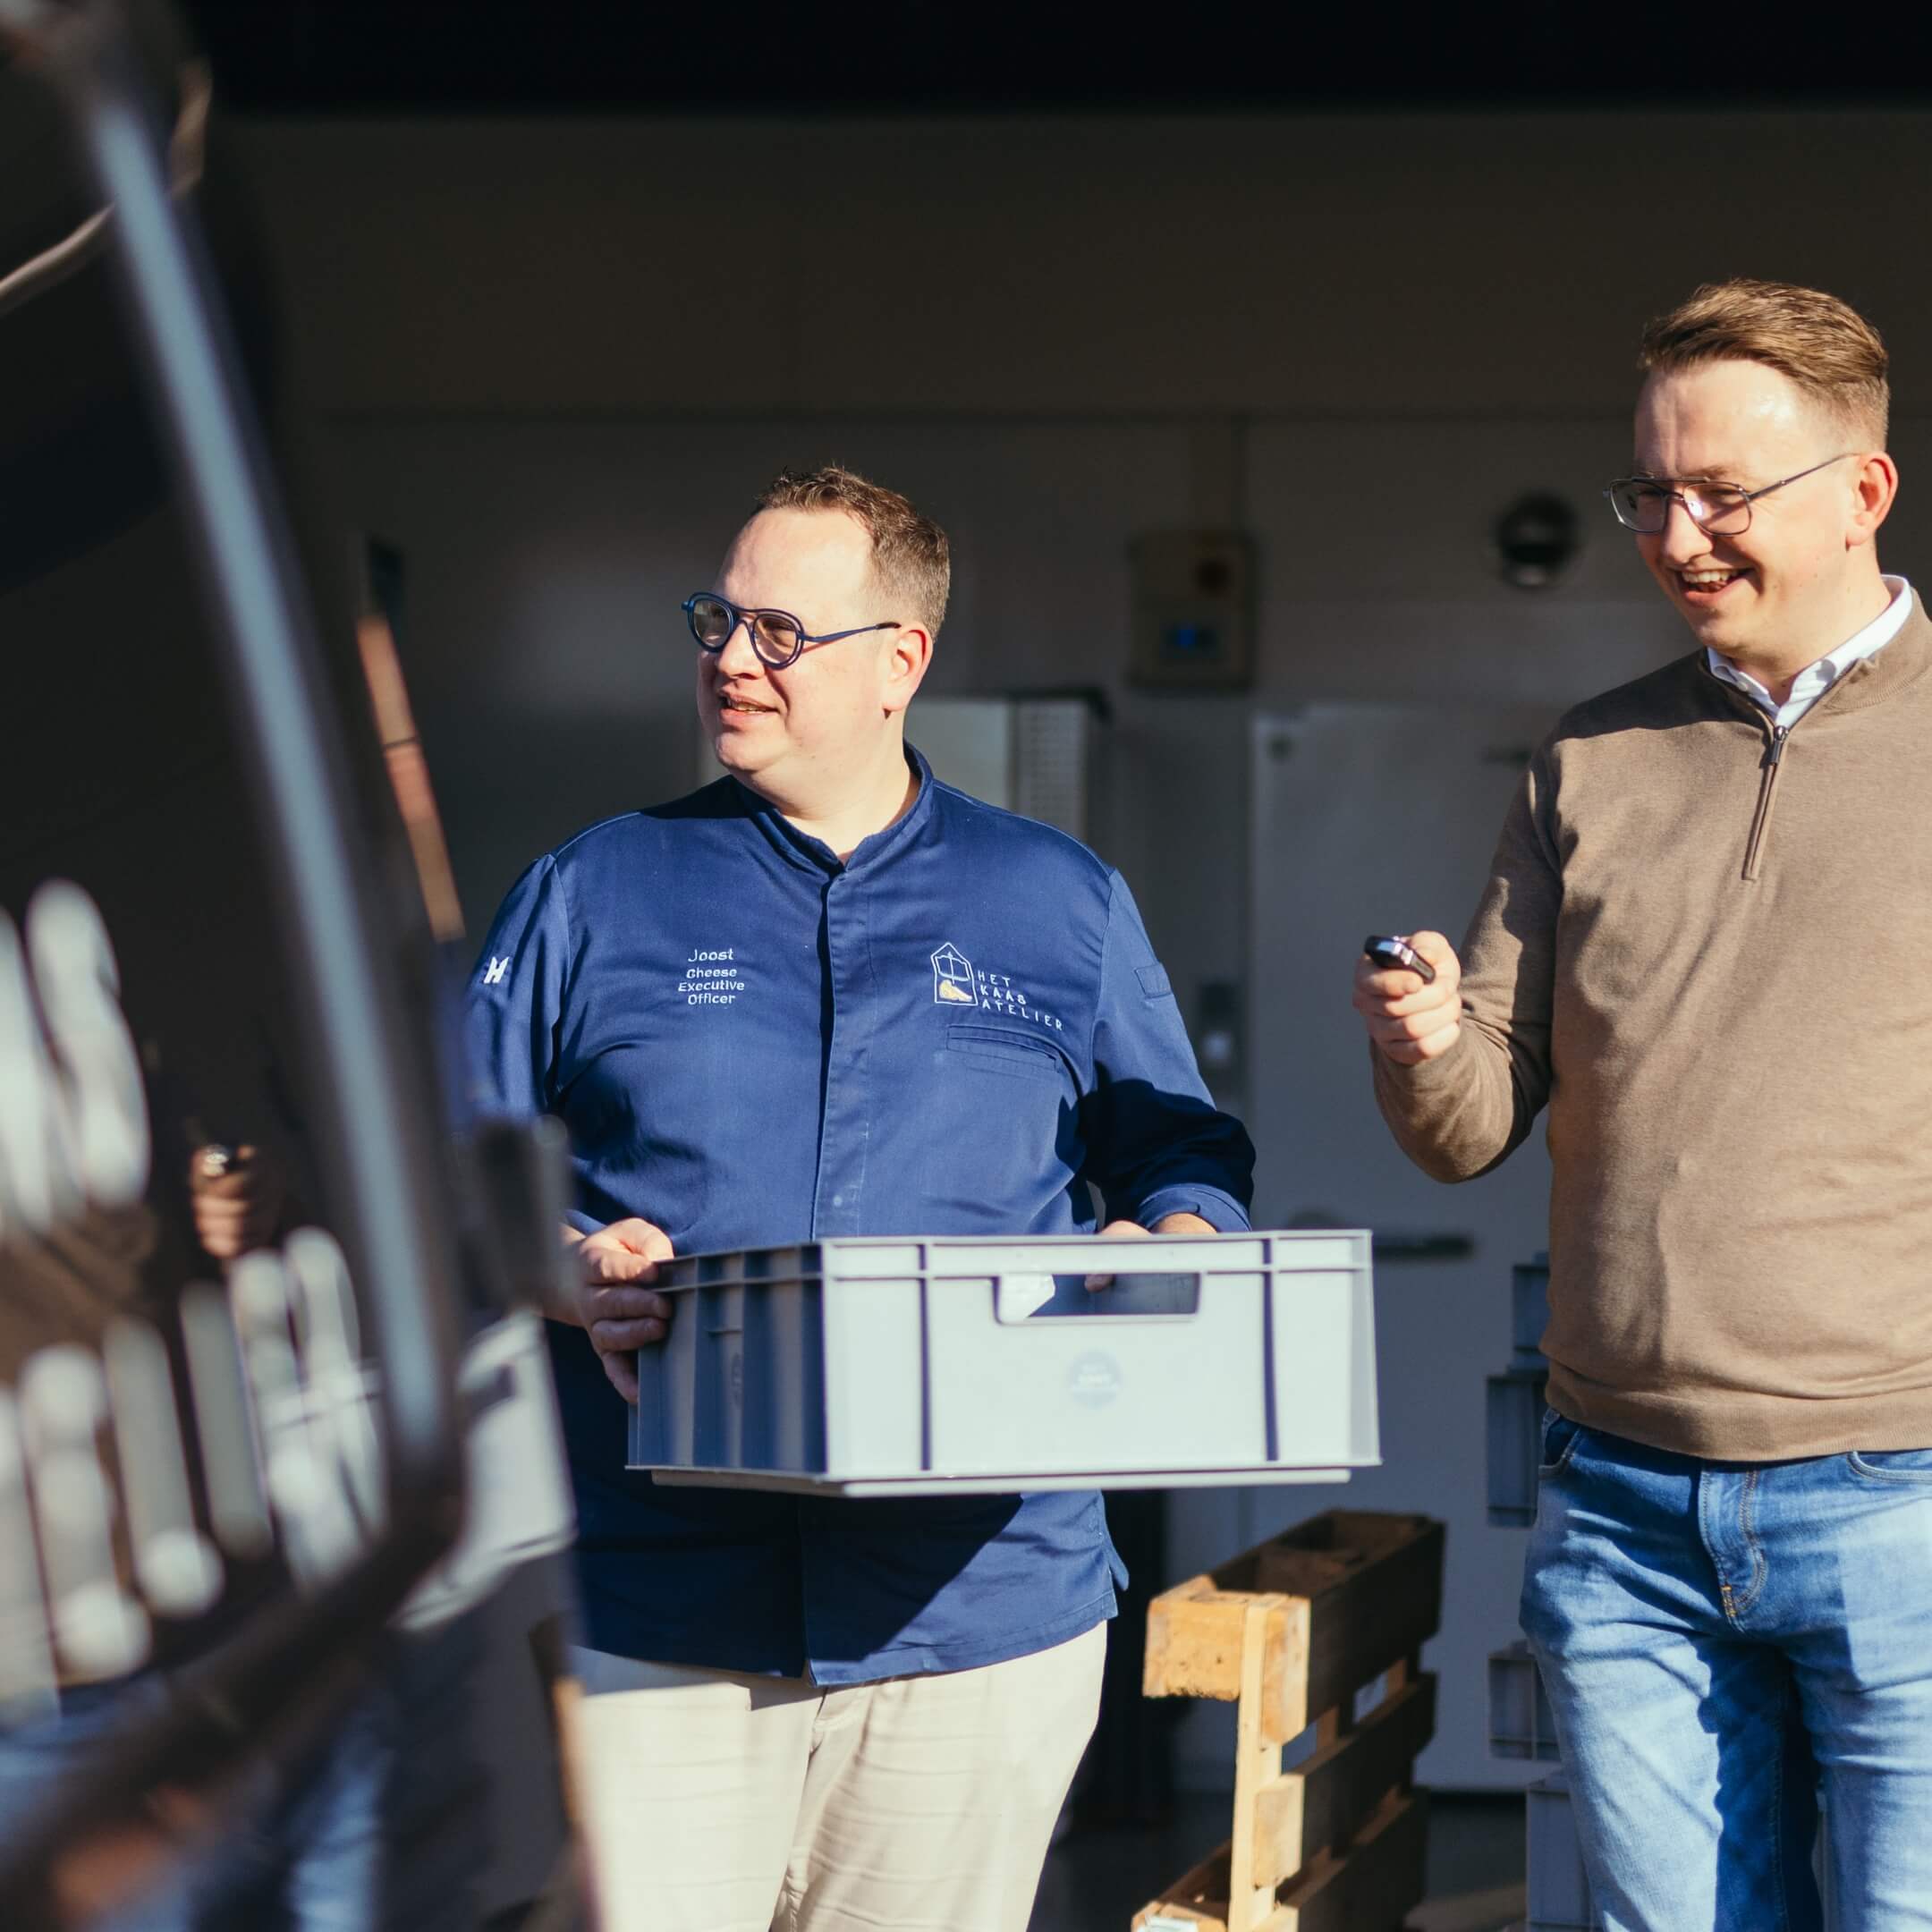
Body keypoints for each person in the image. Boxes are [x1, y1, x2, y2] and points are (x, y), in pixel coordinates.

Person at [466, 464, 1253, 1932]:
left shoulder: (1056, 899)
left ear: (903, 661)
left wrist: (1181, 1241)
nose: (728, 660)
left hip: (978, 1616)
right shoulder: (595, 889)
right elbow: (452, 1169)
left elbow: (1180, 1146)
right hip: (659, 1614)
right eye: (716, 621)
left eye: (779, 631)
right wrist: (565, 1260)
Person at [1353, 279, 1932, 1929]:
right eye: (1652, 494)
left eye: (1723, 496)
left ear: (1865, 491)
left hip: (1904, 1495)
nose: (1677, 536)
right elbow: (1476, 1117)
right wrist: (1418, 1042)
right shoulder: (1588, 761)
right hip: (1620, 1508)